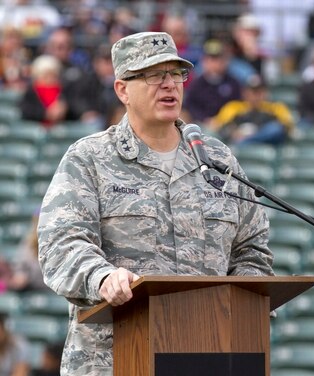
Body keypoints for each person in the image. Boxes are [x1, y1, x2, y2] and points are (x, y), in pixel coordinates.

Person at [37, 31, 274, 376]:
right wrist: (102, 277)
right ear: (122, 90)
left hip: (210, 355)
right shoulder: (90, 159)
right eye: (153, 75)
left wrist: (241, 302)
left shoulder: (217, 159)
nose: (169, 85)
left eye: (176, 74)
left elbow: (252, 248)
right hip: (114, 358)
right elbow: (61, 243)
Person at [210, 74, 294, 146]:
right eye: (253, 92)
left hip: (266, 145)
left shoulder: (275, 108)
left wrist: (255, 134)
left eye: (259, 92)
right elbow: (218, 126)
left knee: (275, 129)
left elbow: (288, 127)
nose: (256, 96)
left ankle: (246, 141)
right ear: (245, 93)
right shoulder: (234, 107)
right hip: (240, 148)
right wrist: (233, 132)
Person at [182, 38, 242, 125]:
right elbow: (190, 106)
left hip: (229, 124)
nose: (214, 63)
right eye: (210, 59)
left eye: (218, 59)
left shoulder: (233, 83)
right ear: (204, 61)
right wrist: (205, 119)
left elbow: (238, 105)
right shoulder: (196, 84)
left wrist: (222, 120)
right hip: (202, 124)